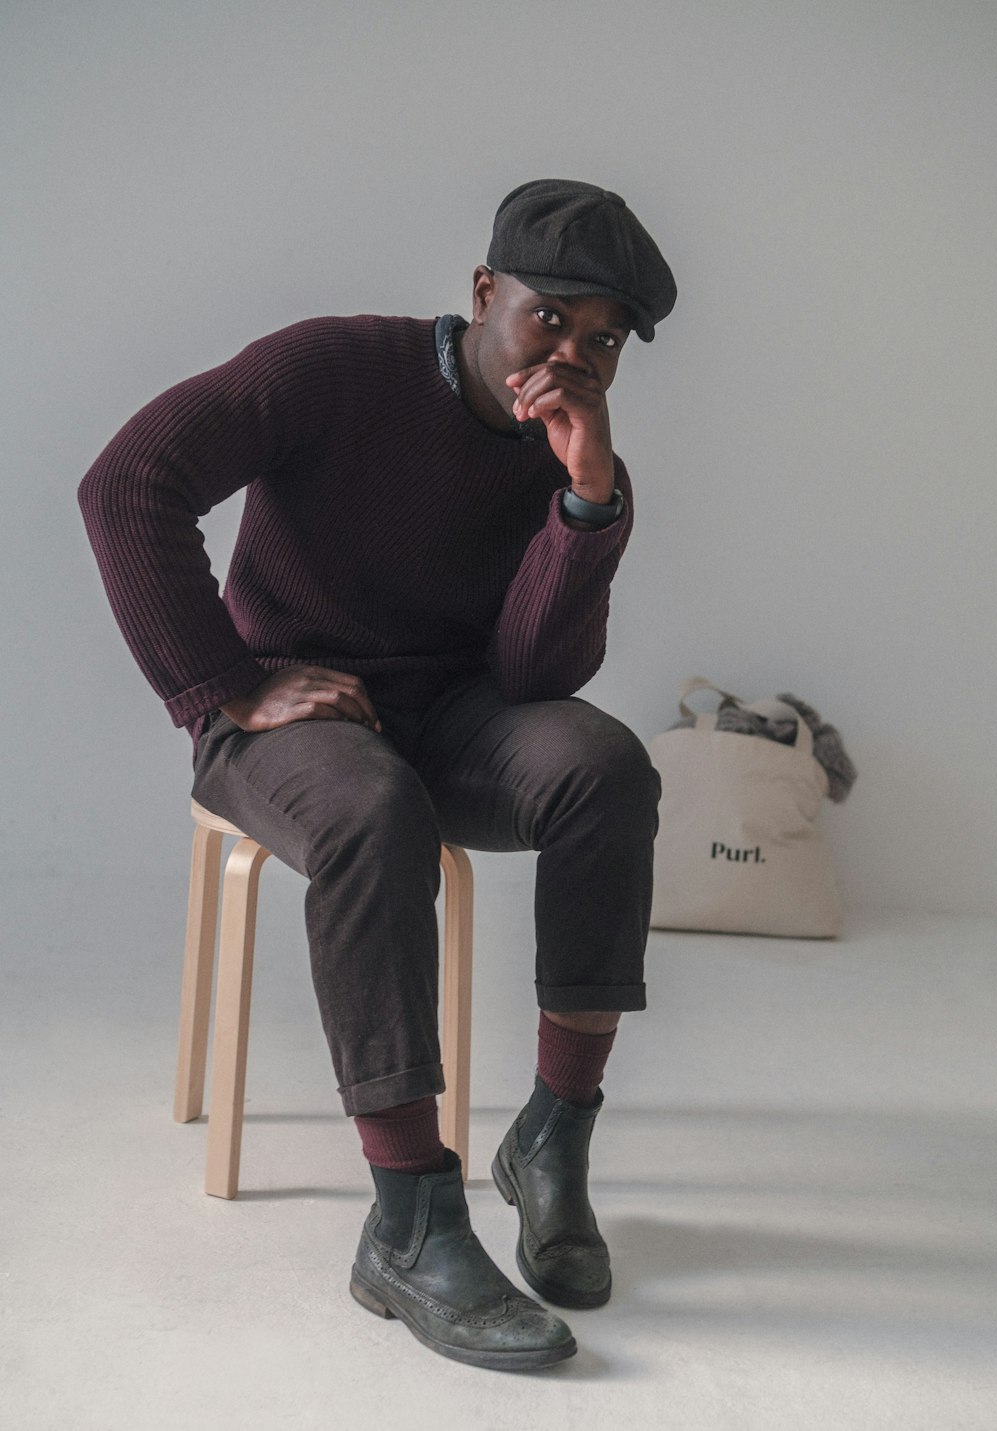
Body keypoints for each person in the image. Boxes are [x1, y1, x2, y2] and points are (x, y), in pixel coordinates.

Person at [78, 178, 677, 1371]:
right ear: (481, 292)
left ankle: (554, 1140)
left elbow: (529, 675)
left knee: (603, 764)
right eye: (548, 319)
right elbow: (129, 481)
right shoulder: (327, 370)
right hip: (291, 723)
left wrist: (586, 499)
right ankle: (408, 1216)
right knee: (370, 804)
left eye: (601, 341)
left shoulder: (571, 455)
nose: (569, 355)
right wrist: (224, 686)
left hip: (454, 712)